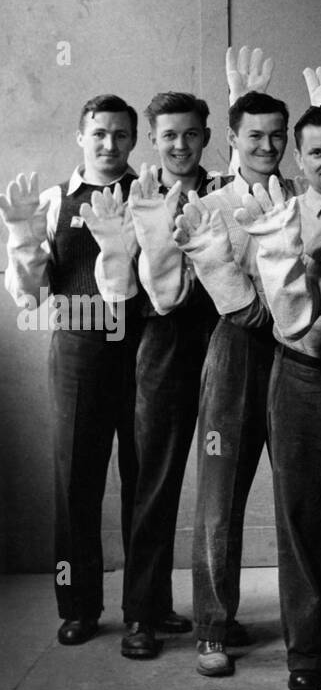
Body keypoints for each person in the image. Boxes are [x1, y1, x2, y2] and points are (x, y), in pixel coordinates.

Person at [1, 95, 141, 645]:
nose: (110, 145)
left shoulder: (148, 193)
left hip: (142, 344)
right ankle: (79, 606)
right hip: (79, 346)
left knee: (144, 478)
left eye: (122, 135)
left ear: (134, 140)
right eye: (100, 134)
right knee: (75, 481)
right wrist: (23, 239)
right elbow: (30, 296)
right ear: (80, 136)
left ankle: (144, 607)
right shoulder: (54, 201)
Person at [171, 88, 292, 677]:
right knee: (220, 497)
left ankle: (306, 629)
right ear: (233, 141)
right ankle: (212, 630)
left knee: (301, 499)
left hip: (301, 353)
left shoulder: (309, 198)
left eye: (276, 135)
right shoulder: (210, 204)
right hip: (237, 352)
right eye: (254, 136)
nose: (266, 146)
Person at [246, 101, 321, 690]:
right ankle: (308, 647)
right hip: (301, 375)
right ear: (298, 156)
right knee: (302, 516)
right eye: (316, 152)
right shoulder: (278, 213)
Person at [120, 92, 226, 660]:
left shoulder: (224, 189)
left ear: (205, 135)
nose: (180, 145)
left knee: (217, 485)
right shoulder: (139, 196)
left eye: (190, 134)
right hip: (161, 345)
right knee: (155, 482)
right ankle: (142, 612)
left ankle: (214, 612)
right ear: (154, 142)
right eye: (168, 137)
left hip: (220, 339)